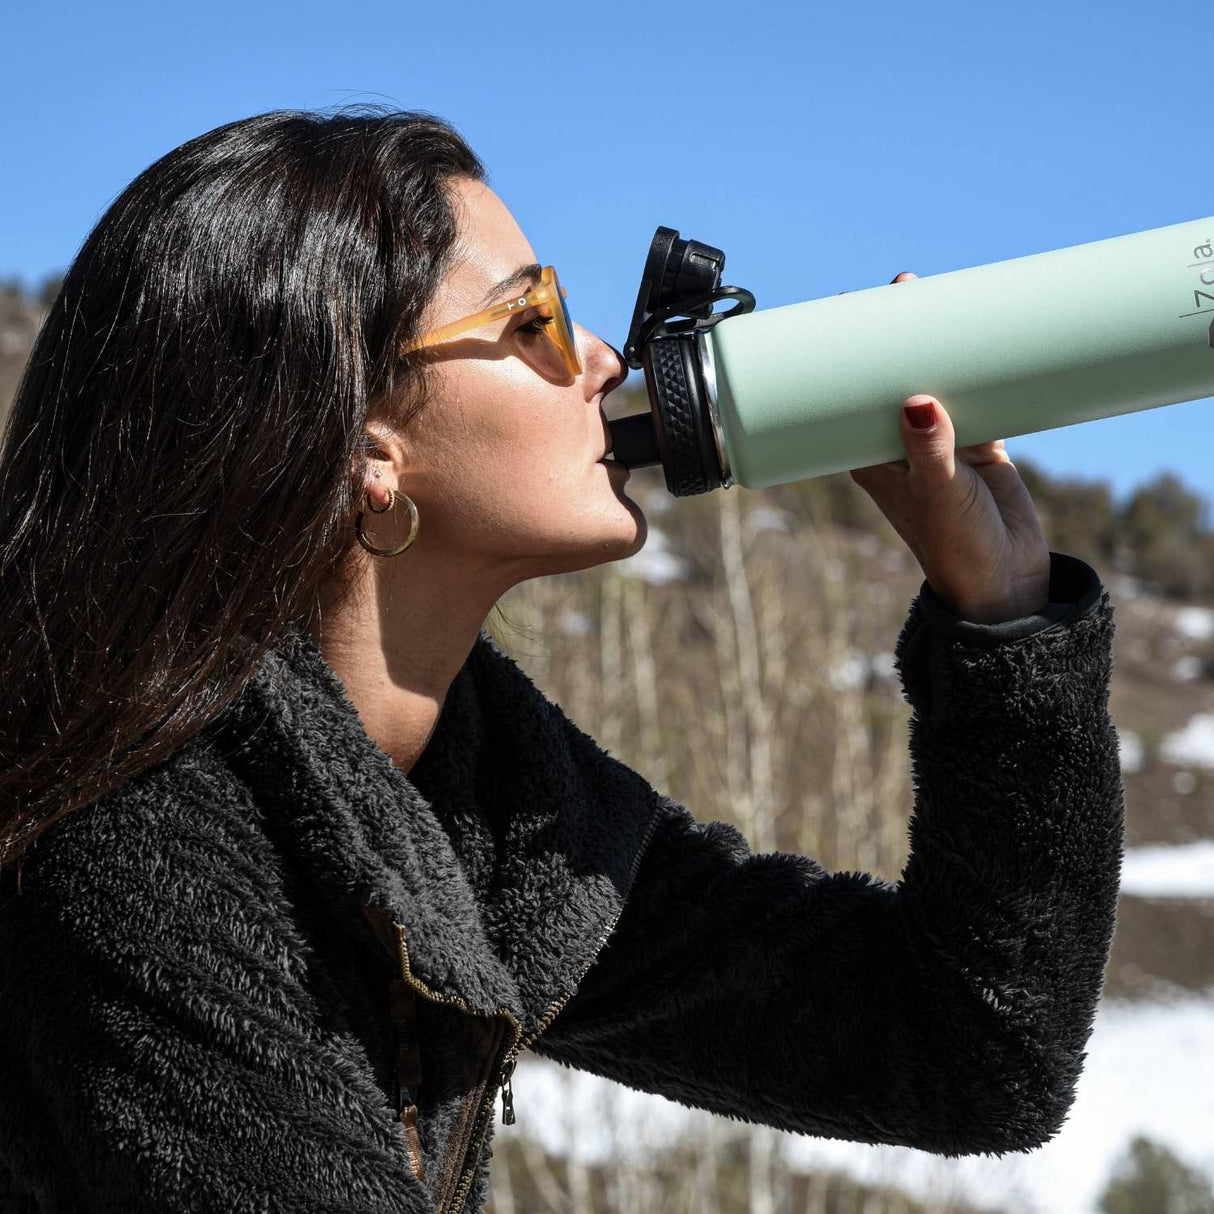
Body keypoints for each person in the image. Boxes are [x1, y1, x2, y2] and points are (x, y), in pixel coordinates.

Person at [0, 106, 1125, 1214]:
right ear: (361, 442)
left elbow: (967, 1053)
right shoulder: (133, 832)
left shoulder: (492, 816)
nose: (596, 358)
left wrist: (1004, 618)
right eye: (531, 316)